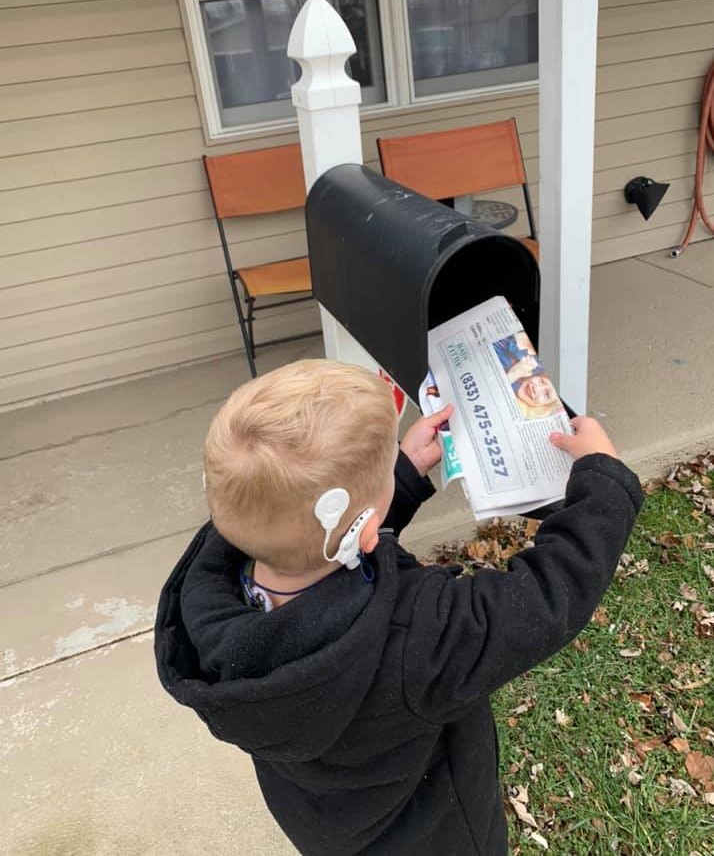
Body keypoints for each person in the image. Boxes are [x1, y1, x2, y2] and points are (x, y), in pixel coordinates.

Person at [154, 359, 643, 856]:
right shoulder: (414, 639)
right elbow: (547, 596)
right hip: (436, 837)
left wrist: (402, 477)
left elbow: (330, 541)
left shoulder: (205, 610)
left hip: (326, 826)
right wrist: (603, 482)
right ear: (364, 529)